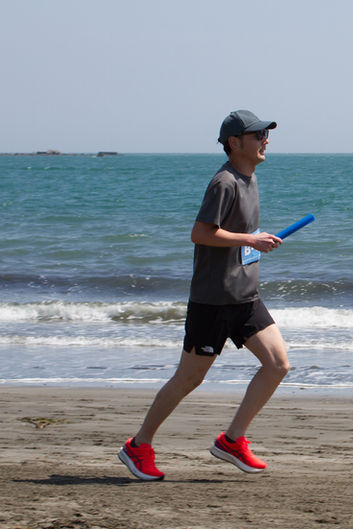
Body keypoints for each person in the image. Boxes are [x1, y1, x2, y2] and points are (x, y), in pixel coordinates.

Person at [118, 110, 289, 481]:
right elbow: (200, 233)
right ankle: (138, 445)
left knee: (277, 364)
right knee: (188, 379)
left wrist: (254, 240)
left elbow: (238, 233)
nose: (265, 140)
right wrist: (250, 239)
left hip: (244, 296)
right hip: (213, 301)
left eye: (266, 134)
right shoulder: (224, 182)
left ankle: (232, 440)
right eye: (257, 134)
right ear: (234, 142)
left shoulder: (250, 178)